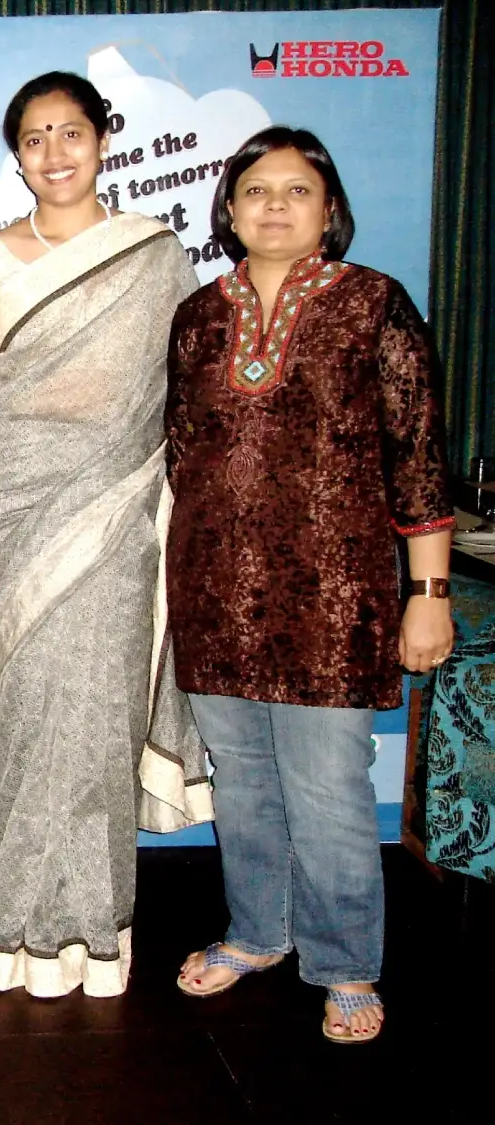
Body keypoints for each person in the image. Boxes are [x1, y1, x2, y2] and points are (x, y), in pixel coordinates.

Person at [168, 126, 453, 1044]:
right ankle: (257, 932)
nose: (276, 205)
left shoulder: (375, 305)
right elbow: (183, 452)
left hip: (337, 598)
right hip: (214, 593)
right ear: (230, 208)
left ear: (329, 209)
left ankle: (345, 964)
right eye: (256, 189)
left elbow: (417, 458)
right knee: (243, 785)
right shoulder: (200, 315)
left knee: (328, 788)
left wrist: (429, 591)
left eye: (297, 190)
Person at [0, 72, 210, 999]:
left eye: (71, 133)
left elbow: (178, 403)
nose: (54, 154)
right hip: (7, 515)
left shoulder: (153, 256)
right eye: (33, 139)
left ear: (103, 140)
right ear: (16, 156)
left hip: (117, 518)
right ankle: (6, 916)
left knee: (92, 725)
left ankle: (88, 930)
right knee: (16, 721)